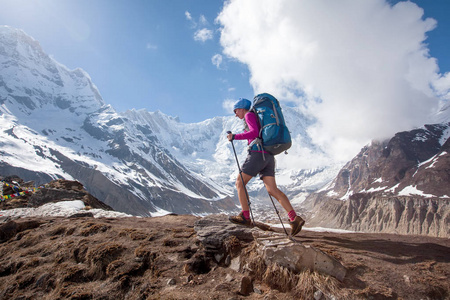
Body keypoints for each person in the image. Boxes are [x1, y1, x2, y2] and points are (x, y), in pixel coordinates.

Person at [227, 98, 305, 236]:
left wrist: (235, 137)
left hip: (257, 154)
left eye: (236, 110)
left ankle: (245, 216)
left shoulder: (249, 115)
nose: (235, 114)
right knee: (272, 190)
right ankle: (294, 218)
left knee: (240, 182)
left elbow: (254, 133)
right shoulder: (255, 116)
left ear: (241, 108)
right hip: (268, 156)